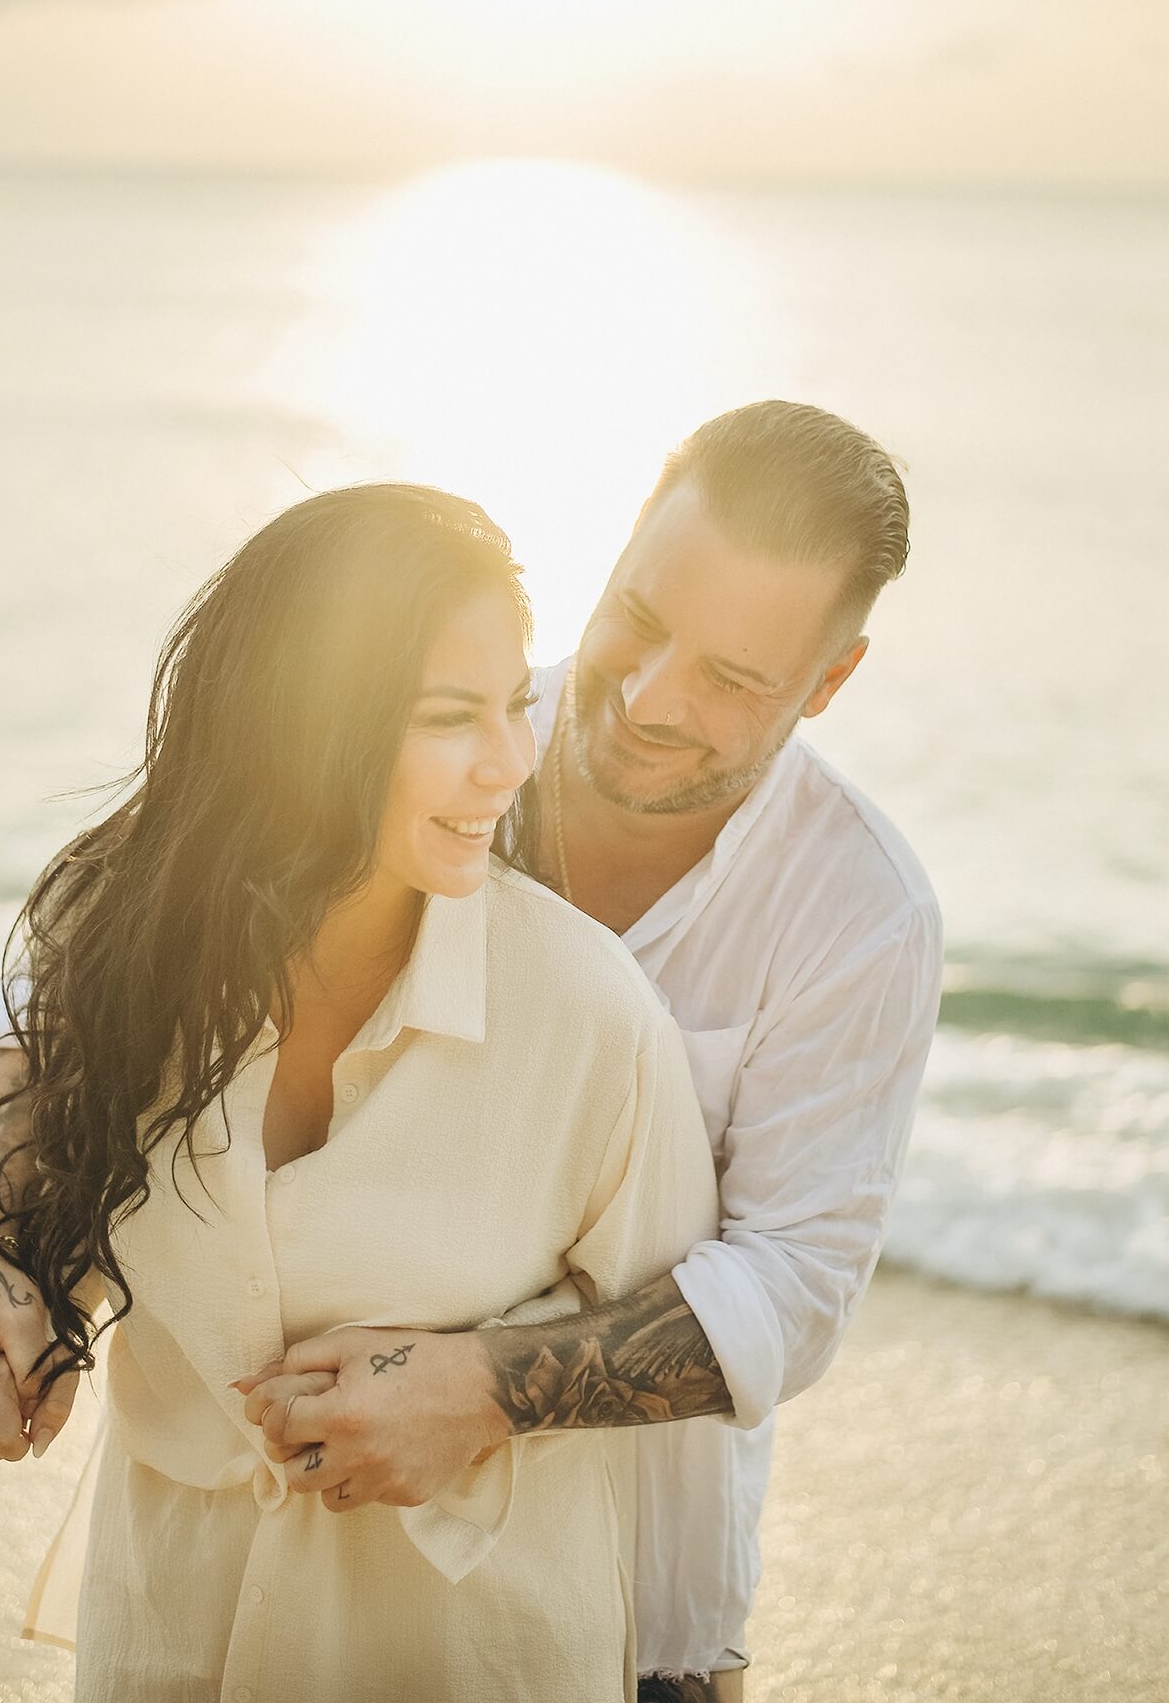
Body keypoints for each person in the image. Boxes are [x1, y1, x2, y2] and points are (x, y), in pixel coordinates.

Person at [0, 482, 720, 1702]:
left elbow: (689, 1334)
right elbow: (47, 1100)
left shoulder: (586, 1014)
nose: (510, 761)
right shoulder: (107, 932)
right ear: (307, 723)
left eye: (513, 706)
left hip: (472, 1655)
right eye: (453, 716)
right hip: (169, 1630)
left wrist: (491, 1390)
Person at [222, 403, 945, 1700]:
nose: (650, 700)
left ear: (828, 684)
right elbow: (131, 939)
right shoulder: (422, 737)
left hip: (632, 1603)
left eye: (732, 679)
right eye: (640, 619)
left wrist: (482, 1390)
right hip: (304, 1558)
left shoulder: (861, 914)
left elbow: (792, 1287)